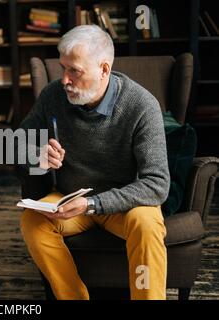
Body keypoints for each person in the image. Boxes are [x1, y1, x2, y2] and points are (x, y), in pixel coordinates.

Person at [19, 25, 170, 300]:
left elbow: (157, 183)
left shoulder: (141, 105)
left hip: (125, 204)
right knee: (32, 222)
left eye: (74, 70)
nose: (64, 79)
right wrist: (36, 154)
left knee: (147, 224)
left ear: (103, 69)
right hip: (69, 199)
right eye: (63, 68)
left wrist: (92, 204)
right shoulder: (54, 95)